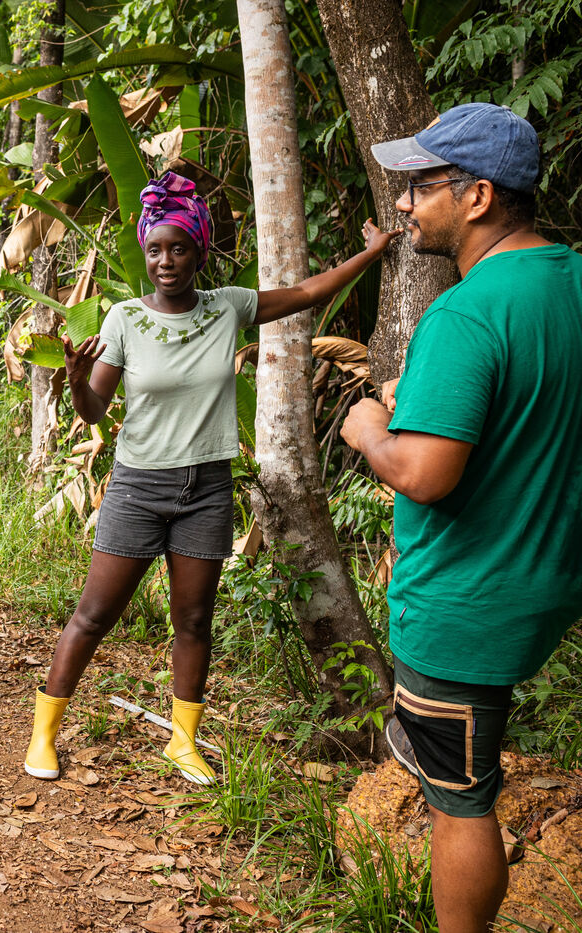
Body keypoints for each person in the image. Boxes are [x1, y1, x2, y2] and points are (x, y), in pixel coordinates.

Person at [24, 171, 399, 786]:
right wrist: (75, 380)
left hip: (206, 489)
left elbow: (306, 291)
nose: (165, 261)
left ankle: (183, 742)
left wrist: (372, 253)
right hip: (138, 488)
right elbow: (94, 411)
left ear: (198, 252)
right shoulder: (122, 319)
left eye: (178, 249)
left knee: (194, 621)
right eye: (155, 250)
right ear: (145, 253)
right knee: (93, 615)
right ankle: (43, 735)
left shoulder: (228, 307)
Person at [342, 102, 582, 933]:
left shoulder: (465, 312)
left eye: (420, 186)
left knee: (461, 801)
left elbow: (424, 473)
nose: (404, 203)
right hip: (549, 577)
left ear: (476, 196)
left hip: (466, 606)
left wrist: (371, 427)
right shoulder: (570, 279)